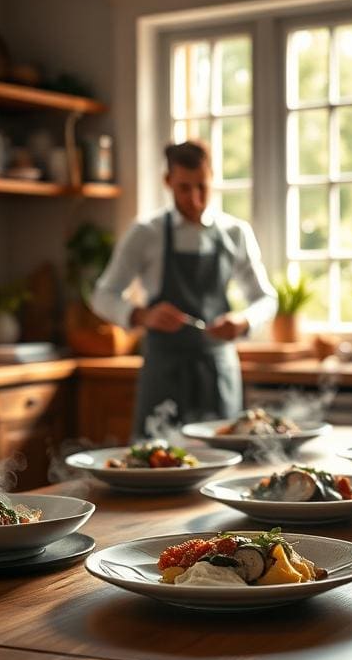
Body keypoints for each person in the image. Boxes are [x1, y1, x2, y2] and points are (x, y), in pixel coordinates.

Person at [91, 140, 277, 438]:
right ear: (168, 182)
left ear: (212, 177)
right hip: (163, 372)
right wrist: (142, 315)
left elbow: (266, 299)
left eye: (202, 187)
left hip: (218, 373)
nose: (195, 199)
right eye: (184, 188)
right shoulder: (146, 232)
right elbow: (102, 295)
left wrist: (243, 321)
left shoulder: (235, 233)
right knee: (155, 456)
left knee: (223, 455)